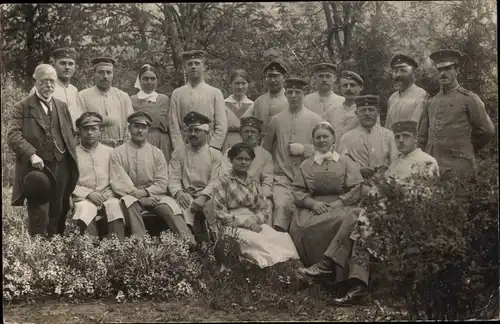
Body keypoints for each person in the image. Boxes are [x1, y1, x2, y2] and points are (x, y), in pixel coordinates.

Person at [292, 121, 369, 306]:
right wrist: (313, 204)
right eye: (317, 137)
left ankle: (328, 270)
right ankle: (324, 270)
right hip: (314, 207)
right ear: (313, 140)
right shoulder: (306, 164)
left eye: (325, 136)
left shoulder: (345, 161)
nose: (321, 140)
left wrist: (338, 202)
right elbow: (298, 191)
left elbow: (355, 188)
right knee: (303, 227)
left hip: (340, 205)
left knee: (345, 220)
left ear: (333, 138)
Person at [7, 64, 79, 237]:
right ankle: (39, 249)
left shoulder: (61, 106)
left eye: (52, 81)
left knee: (60, 207)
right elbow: (13, 136)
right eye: (44, 81)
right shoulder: (22, 107)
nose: (49, 86)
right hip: (38, 167)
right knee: (39, 210)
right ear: (35, 81)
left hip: (61, 164)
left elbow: (69, 133)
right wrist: (31, 154)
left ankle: (56, 244)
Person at [109, 111, 196, 247]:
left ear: (148, 130)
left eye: (143, 127)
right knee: (130, 204)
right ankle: (141, 245)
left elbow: (162, 182)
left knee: (170, 208)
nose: (139, 130)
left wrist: (146, 193)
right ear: (129, 128)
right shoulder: (118, 152)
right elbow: (118, 181)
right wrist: (139, 197)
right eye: (136, 126)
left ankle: (189, 244)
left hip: (154, 195)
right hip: (130, 195)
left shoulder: (157, 153)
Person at [212, 143, 300, 268]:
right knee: (257, 241)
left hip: (253, 222)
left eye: (247, 159)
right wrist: (244, 222)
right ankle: (275, 270)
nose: (243, 162)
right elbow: (219, 212)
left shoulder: (254, 183)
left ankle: (290, 268)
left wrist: (254, 220)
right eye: (239, 159)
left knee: (280, 237)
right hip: (232, 225)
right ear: (231, 160)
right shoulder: (223, 182)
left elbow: (263, 209)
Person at [418, 49, 495, 180]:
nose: (443, 73)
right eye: (440, 70)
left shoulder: (469, 98)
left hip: (460, 168)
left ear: (456, 71)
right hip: (433, 168)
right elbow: (422, 136)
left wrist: (466, 148)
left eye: (448, 69)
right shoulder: (431, 102)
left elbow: (487, 131)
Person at [262, 77, 322, 232]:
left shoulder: (315, 119)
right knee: (282, 205)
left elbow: (326, 150)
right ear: (286, 94)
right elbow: (265, 151)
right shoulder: (277, 120)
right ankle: (280, 246)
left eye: (298, 92)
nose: (294, 96)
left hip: (308, 180)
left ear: (304, 94)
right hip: (282, 178)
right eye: (290, 92)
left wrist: (304, 149)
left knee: (310, 213)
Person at [72, 112, 126, 241]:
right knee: (84, 208)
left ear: (100, 131)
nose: (89, 133)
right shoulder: (72, 154)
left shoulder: (111, 152)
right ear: (79, 131)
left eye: (93, 129)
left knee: (114, 205)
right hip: (83, 198)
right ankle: (92, 251)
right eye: (86, 129)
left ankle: (118, 248)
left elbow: (118, 177)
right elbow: (67, 182)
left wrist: (112, 192)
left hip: (107, 195)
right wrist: (88, 193)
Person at [168, 111, 223, 238]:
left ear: (207, 132)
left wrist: (203, 197)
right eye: (190, 130)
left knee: (213, 211)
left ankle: (214, 243)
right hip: (185, 195)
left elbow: (216, 180)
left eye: (197, 130)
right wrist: (179, 193)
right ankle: (188, 242)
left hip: (208, 196)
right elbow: (173, 177)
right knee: (177, 209)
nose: (193, 134)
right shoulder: (179, 152)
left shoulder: (215, 154)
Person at [168, 50, 228, 152]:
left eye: (197, 63)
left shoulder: (215, 92)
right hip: (185, 145)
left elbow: (222, 124)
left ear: (203, 67)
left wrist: (213, 147)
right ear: (185, 68)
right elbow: (173, 124)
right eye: (189, 64)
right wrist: (179, 148)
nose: (193, 66)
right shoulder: (177, 93)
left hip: (208, 145)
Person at [220, 117, 274, 225]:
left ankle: (265, 232)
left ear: (259, 135)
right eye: (246, 131)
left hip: (257, 196)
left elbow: (267, 180)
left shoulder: (266, 155)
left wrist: (260, 196)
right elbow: (224, 175)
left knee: (267, 205)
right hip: (233, 194)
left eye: (253, 132)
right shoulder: (230, 152)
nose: (249, 134)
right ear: (241, 134)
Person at [337, 95, 398, 188]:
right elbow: (342, 165)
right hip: (357, 187)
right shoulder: (347, 138)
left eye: (371, 110)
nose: (367, 114)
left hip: (384, 186)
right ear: (356, 113)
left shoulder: (389, 136)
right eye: (363, 110)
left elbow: (395, 163)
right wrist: (358, 170)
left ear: (377, 112)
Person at [79, 57, 135, 148]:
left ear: (113, 74)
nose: (105, 76)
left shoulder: (123, 96)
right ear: (94, 74)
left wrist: (126, 147)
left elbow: (130, 123)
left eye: (109, 72)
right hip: (94, 147)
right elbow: (81, 125)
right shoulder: (83, 96)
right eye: (101, 72)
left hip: (119, 147)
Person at [29, 47, 85, 129]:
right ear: (53, 65)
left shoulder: (74, 90)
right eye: (63, 63)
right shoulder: (41, 88)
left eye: (70, 64)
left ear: (75, 68)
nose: (67, 67)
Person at [130, 64, 172, 162]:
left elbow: (171, 125)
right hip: (142, 141)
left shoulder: (164, 99)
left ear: (157, 80)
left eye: (153, 79)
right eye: (145, 79)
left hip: (163, 143)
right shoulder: (132, 100)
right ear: (140, 80)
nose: (149, 82)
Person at [241, 60, 289, 132]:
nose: (272, 80)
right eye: (269, 76)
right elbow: (244, 120)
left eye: (276, 76)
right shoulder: (259, 101)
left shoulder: (290, 100)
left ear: (283, 78)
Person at [385, 53, 428, 130]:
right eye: (395, 71)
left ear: (413, 73)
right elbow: (387, 127)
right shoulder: (392, 98)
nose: (398, 75)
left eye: (403, 71)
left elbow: (416, 128)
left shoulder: (421, 94)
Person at [221, 69, 254, 152]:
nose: (240, 87)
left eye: (243, 83)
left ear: (248, 84)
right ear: (231, 84)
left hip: (246, 144)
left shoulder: (253, 105)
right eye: (237, 83)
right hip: (227, 143)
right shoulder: (223, 104)